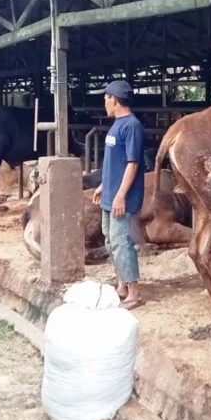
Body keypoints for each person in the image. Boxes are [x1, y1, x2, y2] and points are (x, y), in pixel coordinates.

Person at [92, 79, 146, 310]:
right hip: (110, 194)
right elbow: (115, 162)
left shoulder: (131, 126)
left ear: (115, 99)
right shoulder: (116, 125)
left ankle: (135, 292)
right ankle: (122, 284)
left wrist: (121, 195)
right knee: (110, 239)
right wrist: (104, 185)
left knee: (122, 241)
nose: (104, 102)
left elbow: (133, 164)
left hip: (121, 197)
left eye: (106, 97)